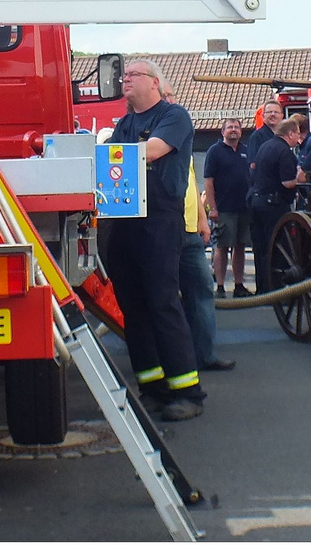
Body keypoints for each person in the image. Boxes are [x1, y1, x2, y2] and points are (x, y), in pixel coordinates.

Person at [101, 59, 206, 421]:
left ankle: (188, 392)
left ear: (155, 83)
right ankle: (153, 386)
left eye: (132, 76)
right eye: (124, 76)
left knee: (163, 301)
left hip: (160, 221)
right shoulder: (125, 123)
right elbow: (111, 162)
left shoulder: (174, 116)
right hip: (126, 222)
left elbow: (154, 151)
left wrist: (106, 157)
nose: (124, 80)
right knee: (133, 303)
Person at [179, 165, 235, 372]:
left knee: (202, 291)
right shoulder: (160, 138)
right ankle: (167, 360)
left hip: (190, 231)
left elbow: (191, 183)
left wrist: (202, 220)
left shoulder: (182, 138)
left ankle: (204, 355)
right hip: (165, 228)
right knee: (162, 298)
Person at [247, 114, 307, 294]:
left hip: (256, 201)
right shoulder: (284, 151)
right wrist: (300, 177)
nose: (299, 138)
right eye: (297, 134)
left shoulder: (265, 146)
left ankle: (262, 289)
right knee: (277, 247)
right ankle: (276, 289)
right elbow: (287, 183)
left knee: (261, 248)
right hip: (273, 205)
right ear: (290, 134)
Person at [203, 118, 252, 299]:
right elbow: (209, 182)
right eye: (229, 127)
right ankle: (221, 287)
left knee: (240, 247)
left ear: (241, 131)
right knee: (222, 247)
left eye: (236, 127)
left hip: (244, 208)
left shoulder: (246, 151)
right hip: (223, 208)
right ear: (222, 132)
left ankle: (239, 285)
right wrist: (212, 208)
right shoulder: (214, 152)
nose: (233, 130)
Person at [245, 100, 283, 168]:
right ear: (263, 115)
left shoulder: (283, 135)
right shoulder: (257, 136)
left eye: (276, 112)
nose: (273, 114)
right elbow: (253, 165)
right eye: (269, 112)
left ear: (282, 116)